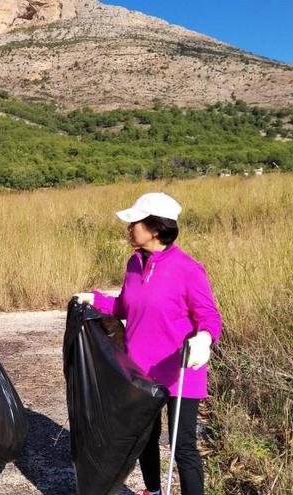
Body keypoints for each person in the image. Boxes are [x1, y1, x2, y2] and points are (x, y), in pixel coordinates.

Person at [74, 192, 222, 495]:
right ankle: (153, 491)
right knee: (144, 439)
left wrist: (204, 339)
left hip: (180, 372)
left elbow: (209, 316)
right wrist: (96, 300)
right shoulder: (133, 263)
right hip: (141, 371)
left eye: (135, 222)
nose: (129, 228)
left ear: (154, 228)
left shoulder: (188, 269)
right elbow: (126, 307)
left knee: (183, 447)